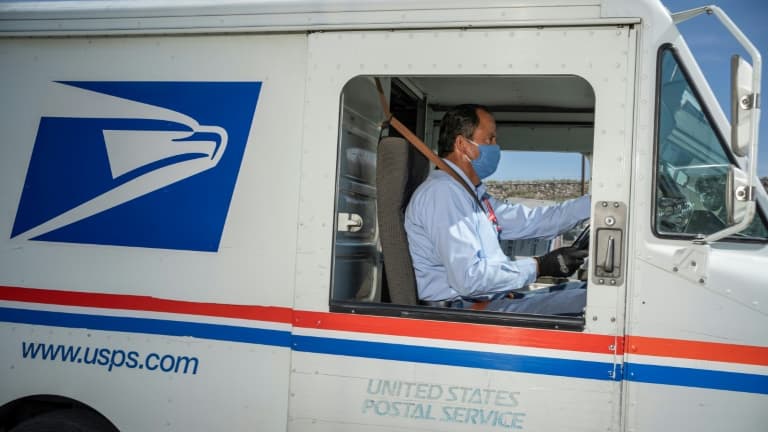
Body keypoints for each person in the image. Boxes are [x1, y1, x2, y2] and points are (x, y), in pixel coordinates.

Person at [404, 104, 590, 314]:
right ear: (462, 144)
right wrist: (539, 266)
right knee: (591, 307)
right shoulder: (442, 193)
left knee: (588, 293)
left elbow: (532, 221)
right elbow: (469, 278)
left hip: (485, 300)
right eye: (490, 139)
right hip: (462, 311)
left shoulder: (470, 195)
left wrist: (594, 204)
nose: (496, 147)